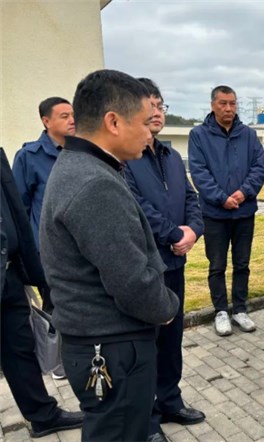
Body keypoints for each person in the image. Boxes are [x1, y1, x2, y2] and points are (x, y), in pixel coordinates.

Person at [39, 69, 180, 441]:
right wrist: (167, 306)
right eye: (145, 123)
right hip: (112, 346)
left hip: (99, 340)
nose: (151, 133)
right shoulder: (94, 183)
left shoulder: (82, 166)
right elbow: (131, 281)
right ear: (113, 122)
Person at [123, 78, 205, 442]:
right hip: (146, 265)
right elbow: (135, 206)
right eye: (150, 106)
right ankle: (148, 419)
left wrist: (193, 231)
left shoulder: (171, 156)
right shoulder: (126, 157)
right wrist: (174, 234)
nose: (157, 112)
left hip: (175, 263)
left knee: (172, 340)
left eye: (161, 105)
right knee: (147, 345)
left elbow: (190, 197)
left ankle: (171, 400)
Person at [0, 147, 83, 439]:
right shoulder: (29, 157)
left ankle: (43, 416)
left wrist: (30, 270)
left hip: (9, 273)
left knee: (19, 348)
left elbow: (15, 210)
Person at [188, 85, 264, 337]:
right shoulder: (199, 135)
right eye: (223, 103)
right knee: (217, 265)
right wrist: (221, 198)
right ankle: (221, 310)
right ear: (213, 105)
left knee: (242, 263)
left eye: (232, 103)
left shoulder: (249, 135)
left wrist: (243, 192)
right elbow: (199, 172)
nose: (228, 108)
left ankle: (240, 308)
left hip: (244, 211)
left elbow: (258, 167)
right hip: (215, 214)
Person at [12, 98, 76, 380]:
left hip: (80, 247)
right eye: (64, 116)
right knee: (55, 305)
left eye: (73, 114)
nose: (72, 120)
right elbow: (20, 208)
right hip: (48, 251)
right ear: (46, 121)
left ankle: (81, 354)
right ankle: (58, 361)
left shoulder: (78, 152)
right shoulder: (29, 157)